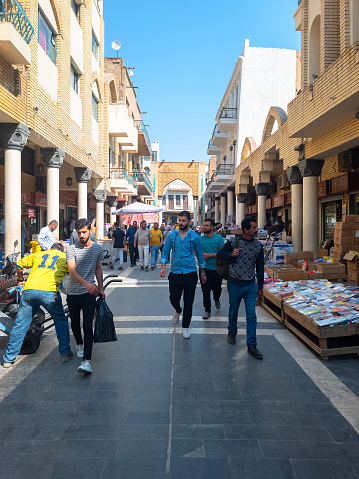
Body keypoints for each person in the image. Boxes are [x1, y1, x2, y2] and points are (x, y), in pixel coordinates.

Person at [2, 243, 73, 368]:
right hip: (49, 293)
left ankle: (8, 359)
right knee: (60, 321)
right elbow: (73, 274)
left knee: (21, 324)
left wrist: (20, 279)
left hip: (29, 291)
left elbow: (19, 264)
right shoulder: (64, 257)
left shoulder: (39, 254)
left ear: (50, 249)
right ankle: (65, 353)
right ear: (61, 250)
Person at [217, 217, 264, 360]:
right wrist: (230, 254)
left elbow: (260, 267)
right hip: (235, 283)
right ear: (246, 230)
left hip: (250, 285)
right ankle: (232, 332)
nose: (257, 229)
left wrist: (260, 287)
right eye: (254, 227)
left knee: (251, 315)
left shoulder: (258, 246)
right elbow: (220, 254)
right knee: (233, 311)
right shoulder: (234, 242)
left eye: (256, 227)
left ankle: (252, 344)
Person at [66, 218, 105, 374]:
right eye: (79, 232)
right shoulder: (71, 249)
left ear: (90, 231)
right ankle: (79, 343)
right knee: (75, 323)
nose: (81, 235)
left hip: (89, 294)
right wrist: (87, 284)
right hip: (73, 292)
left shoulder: (97, 248)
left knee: (88, 326)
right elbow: (72, 271)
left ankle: (87, 361)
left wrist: (101, 288)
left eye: (84, 232)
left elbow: (98, 269)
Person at [160, 211, 206, 339]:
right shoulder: (172, 235)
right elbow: (165, 251)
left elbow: (200, 256)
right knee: (173, 298)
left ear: (189, 221)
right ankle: (178, 310)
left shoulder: (195, 237)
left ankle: (186, 327)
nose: (181, 223)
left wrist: (203, 272)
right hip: (175, 273)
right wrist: (163, 267)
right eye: (179, 220)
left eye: (183, 221)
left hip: (190, 273)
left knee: (189, 302)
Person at [200, 218, 224, 320]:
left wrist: (209, 255)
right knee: (205, 291)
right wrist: (200, 255)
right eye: (204, 225)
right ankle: (207, 310)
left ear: (212, 227)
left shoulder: (219, 239)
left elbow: (222, 253)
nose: (204, 227)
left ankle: (216, 298)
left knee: (217, 289)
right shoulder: (200, 239)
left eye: (207, 225)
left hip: (217, 269)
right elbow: (196, 252)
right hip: (204, 269)